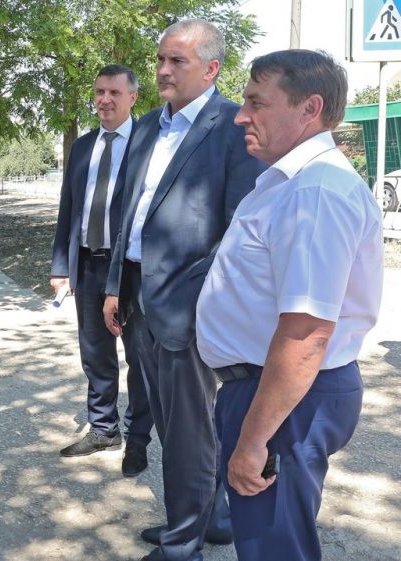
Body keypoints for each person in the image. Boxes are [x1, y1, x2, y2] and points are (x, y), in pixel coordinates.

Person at [198, 49, 384, 561]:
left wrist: (255, 439)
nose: (240, 115)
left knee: (274, 549)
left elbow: (306, 334)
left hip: (284, 397)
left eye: (256, 103)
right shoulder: (292, 181)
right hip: (273, 392)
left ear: (309, 109)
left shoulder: (316, 190)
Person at [102, 19, 267, 561]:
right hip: (137, 299)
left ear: (212, 69)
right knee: (174, 427)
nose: (163, 70)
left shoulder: (231, 127)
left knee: (190, 432)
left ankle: (182, 547)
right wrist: (114, 288)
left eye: (177, 61)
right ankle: (203, 521)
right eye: (161, 60)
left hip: (188, 308)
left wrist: (202, 299)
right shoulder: (148, 126)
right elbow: (128, 212)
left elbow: (238, 228)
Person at [50, 64, 153, 477]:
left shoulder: (148, 143)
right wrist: (61, 266)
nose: (104, 99)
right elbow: (68, 207)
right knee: (95, 352)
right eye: (99, 92)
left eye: (114, 92)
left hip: (130, 268)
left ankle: (138, 436)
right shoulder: (83, 146)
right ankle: (104, 428)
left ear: (132, 98)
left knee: (140, 356)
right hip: (89, 265)